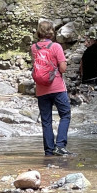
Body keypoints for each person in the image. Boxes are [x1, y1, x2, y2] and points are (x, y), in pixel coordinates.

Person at [31, 19, 73, 157]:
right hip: (57, 88)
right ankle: (60, 146)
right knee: (65, 114)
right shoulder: (56, 47)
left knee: (46, 120)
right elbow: (63, 68)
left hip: (41, 89)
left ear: (39, 32)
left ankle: (49, 151)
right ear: (51, 32)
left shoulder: (34, 48)